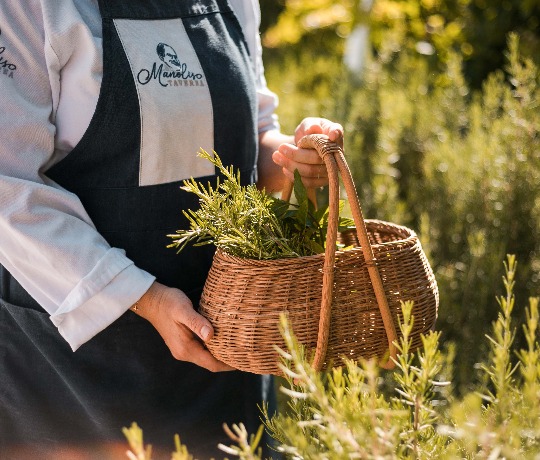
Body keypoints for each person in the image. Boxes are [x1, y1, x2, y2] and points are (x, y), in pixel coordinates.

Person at [0, 0, 343, 458]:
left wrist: (294, 159)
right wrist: (147, 298)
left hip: (225, 348)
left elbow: (253, 137)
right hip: (74, 367)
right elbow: (9, 185)